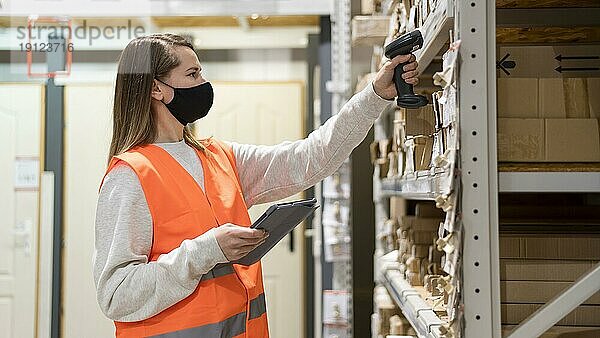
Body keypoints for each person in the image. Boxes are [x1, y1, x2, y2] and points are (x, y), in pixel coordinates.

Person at [93, 33, 419, 338]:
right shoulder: (130, 176)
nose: (203, 84)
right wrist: (206, 251)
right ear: (157, 89)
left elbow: (312, 157)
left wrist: (375, 95)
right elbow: (117, 294)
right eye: (192, 75)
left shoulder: (219, 156)